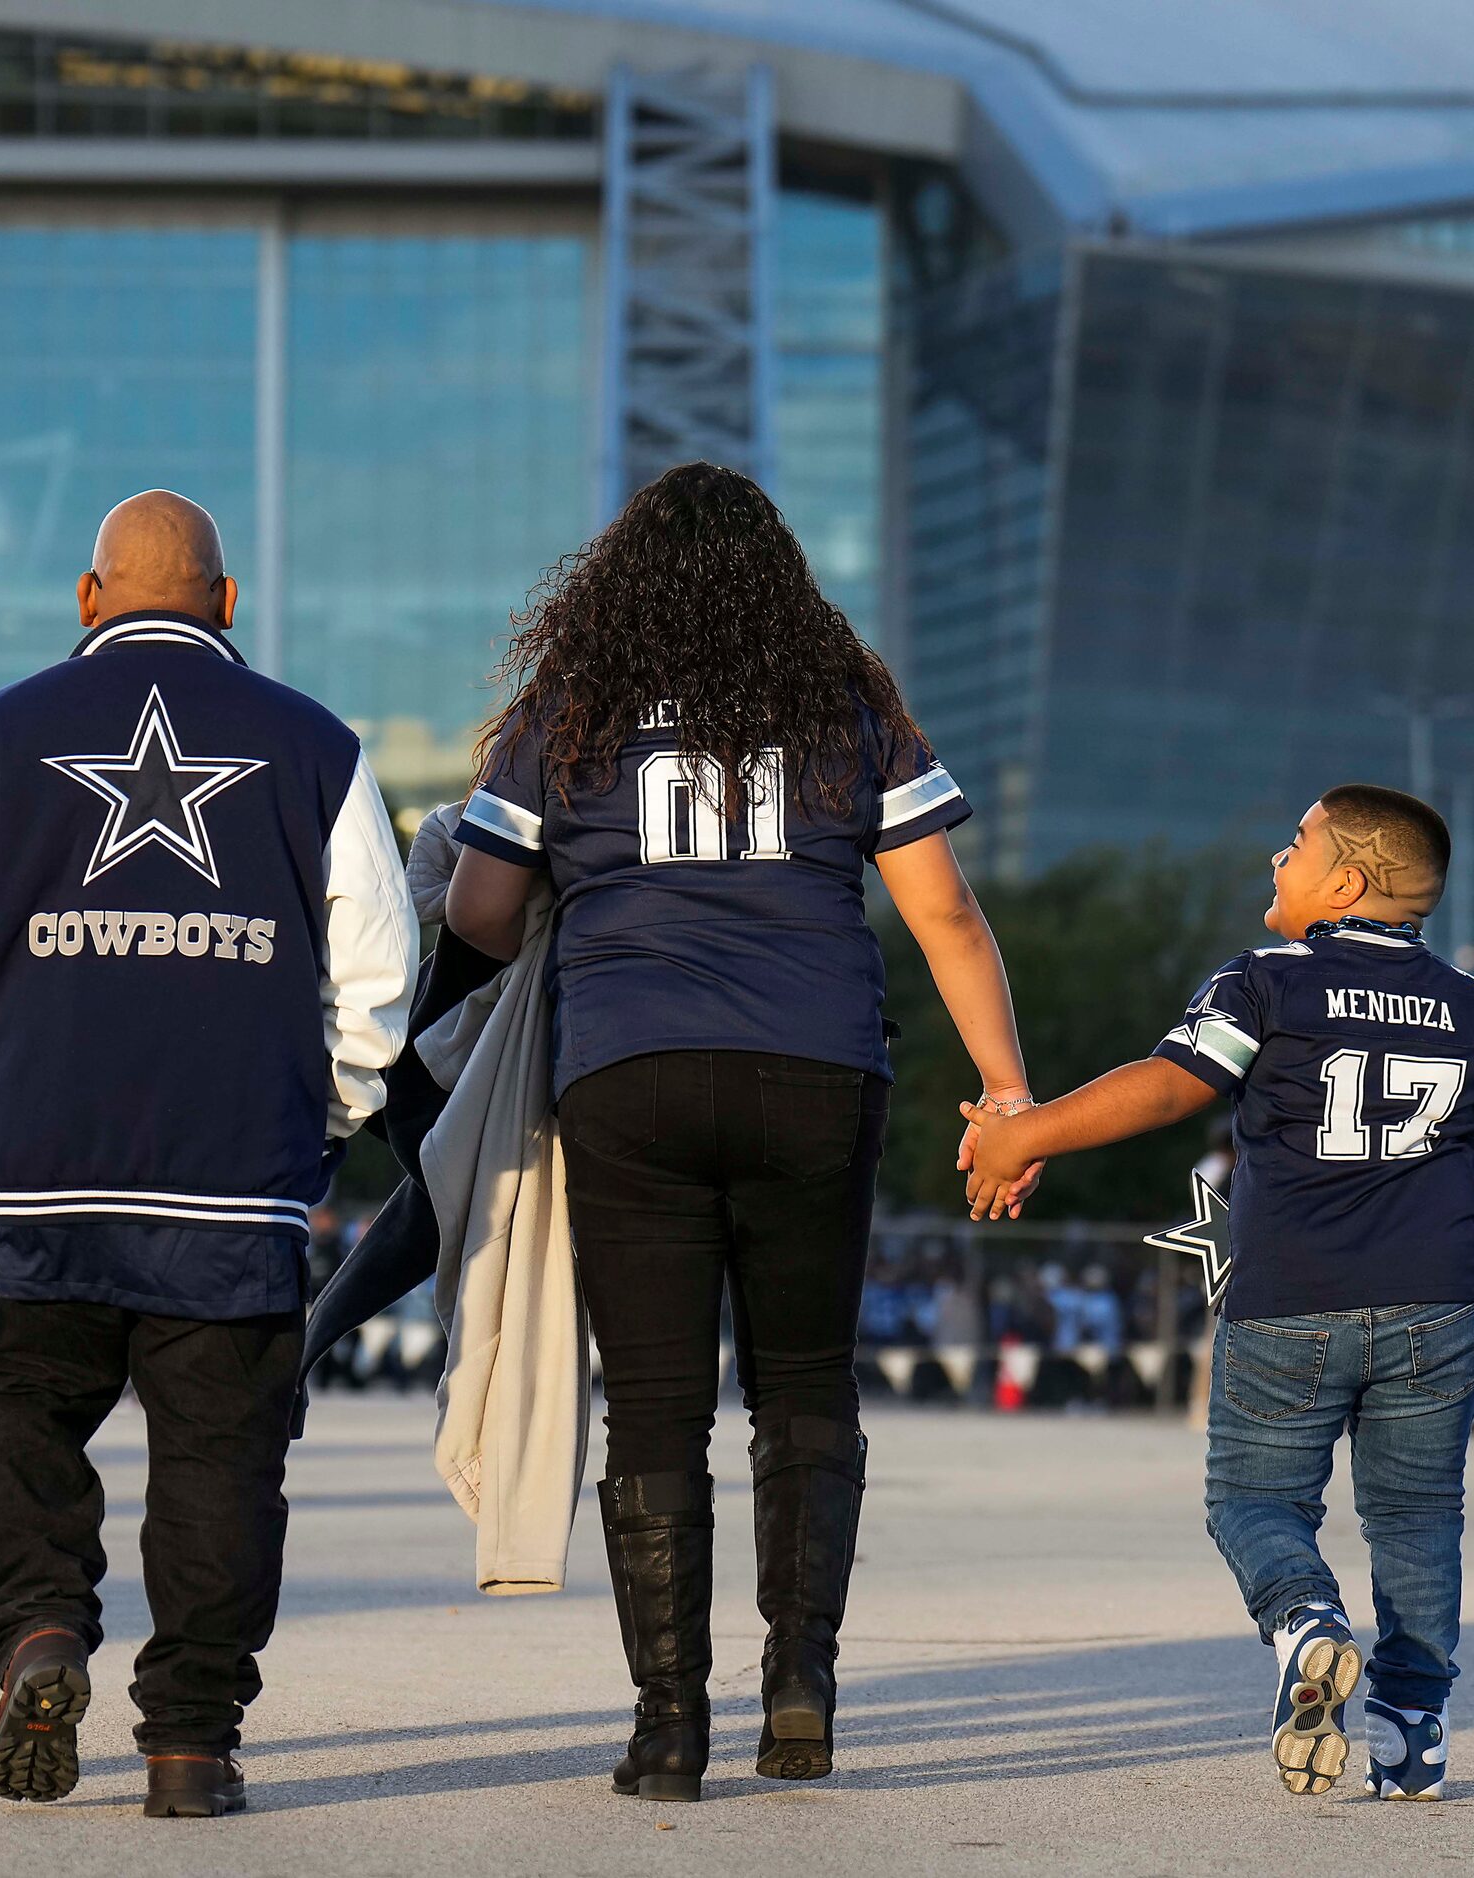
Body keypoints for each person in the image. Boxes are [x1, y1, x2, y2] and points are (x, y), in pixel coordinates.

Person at [444, 462, 1038, 1797]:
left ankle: (667, 1727)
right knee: (805, 1386)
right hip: (816, 1067)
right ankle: (801, 1685)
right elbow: (941, 911)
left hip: (629, 1071)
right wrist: (1007, 1094)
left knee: (655, 1406)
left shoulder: (570, 706)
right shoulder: (842, 702)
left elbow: (482, 910)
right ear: (780, 575)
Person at [0, 489, 413, 1819]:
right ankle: (188, 1742)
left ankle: (43, 1627)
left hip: (39, 1171)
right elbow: (378, 973)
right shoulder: (318, 749)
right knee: (222, 1462)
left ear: (87, 595)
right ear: (228, 602)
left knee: (23, 1422)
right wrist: (320, 1114)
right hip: (233, 1185)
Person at [961, 784, 1474, 1802]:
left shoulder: (1266, 982)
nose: (1276, 857)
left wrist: (1023, 1130)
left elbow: (1172, 1084)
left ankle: (1306, 1617)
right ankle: (1411, 1729)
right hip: (1440, 1305)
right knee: (1416, 1520)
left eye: (1294, 844)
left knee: (1253, 1500)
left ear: (1344, 881)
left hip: (1291, 1302)